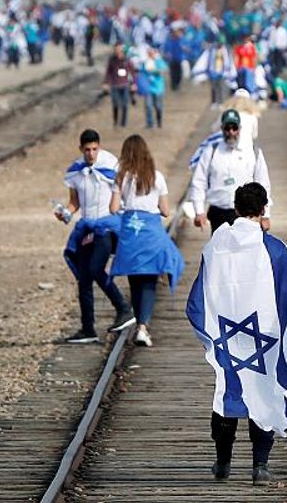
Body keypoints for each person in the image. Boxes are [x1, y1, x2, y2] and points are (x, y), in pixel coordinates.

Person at [187, 182, 287, 485]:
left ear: (236, 208)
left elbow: (201, 293)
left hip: (225, 332)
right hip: (263, 333)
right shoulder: (277, 251)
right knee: (264, 389)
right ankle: (260, 465)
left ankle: (223, 462)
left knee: (226, 390)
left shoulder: (216, 246)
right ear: (264, 208)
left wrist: (209, 330)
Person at [58, 128, 135, 344]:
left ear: (99, 147)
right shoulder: (75, 171)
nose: (91, 154)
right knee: (84, 277)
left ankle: (123, 308)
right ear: (81, 149)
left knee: (95, 269)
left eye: (94, 149)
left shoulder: (111, 165)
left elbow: (124, 194)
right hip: (87, 227)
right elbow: (74, 202)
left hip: (107, 227)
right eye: (87, 150)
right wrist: (65, 213)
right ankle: (87, 328)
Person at [108, 134, 184, 347]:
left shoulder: (121, 177)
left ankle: (138, 321)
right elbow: (166, 211)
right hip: (151, 233)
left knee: (135, 279)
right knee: (149, 280)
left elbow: (113, 208)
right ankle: (142, 328)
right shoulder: (156, 176)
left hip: (131, 235)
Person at [191, 109, 272, 232]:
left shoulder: (253, 152)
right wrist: (199, 211)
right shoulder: (211, 150)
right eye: (227, 128)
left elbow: (263, 183)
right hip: (219, 213)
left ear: (240, 128)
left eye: (234, 128)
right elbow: (199, 181)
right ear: (222, 129)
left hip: (247, 215)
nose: (231, 132)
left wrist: (266, 215)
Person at [104, 43, 135, 128]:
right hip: (115, 85)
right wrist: (106, 83)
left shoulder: (127, 60)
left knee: (125, 105)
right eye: (116, 49)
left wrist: (133, 84)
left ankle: (123, 123)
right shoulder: (112, 60)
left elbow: (132, 72)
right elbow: (108, 72)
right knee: (116, 104)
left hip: (125, 85)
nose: (118, 51)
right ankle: (115, 121)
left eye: (120, 49)